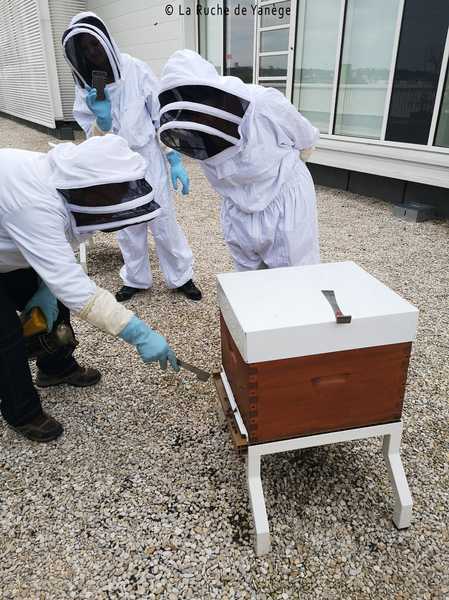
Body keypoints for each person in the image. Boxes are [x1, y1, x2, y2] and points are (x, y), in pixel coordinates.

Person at [0, 134, 179, 443]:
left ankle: (55, 367)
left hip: (9, 242)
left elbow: (55, 258)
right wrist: (139, 333)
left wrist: (46, 286)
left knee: (54, 296)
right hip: (13, 230)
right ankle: (22, 411)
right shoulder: (35, 204)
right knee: (6, 333)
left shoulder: (68, 189)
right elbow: (75, 288)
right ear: (90, 187)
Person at [62, 12, 201, 301]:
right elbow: (93, 138)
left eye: (94, 44)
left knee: (163, 219)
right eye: (85, 48)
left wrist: (174, 157)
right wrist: (102, 121)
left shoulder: (135, 69)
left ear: (105, 40)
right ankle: (136, 279)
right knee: (127, 225)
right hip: (116, 164)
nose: (92, 52)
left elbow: (159, 115)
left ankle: (181, 277)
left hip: (148, 156)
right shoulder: (94, 83)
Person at [158, 49, 320, 272]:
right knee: (245, 283)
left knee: (295, 277)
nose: (196, 117)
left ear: (216, 94)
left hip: (285, 202)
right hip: (236, 209)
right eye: (188, 112)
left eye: (197, 103)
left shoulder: (264, 103)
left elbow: (306, 139)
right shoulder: (193, 130)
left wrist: (288, 171)